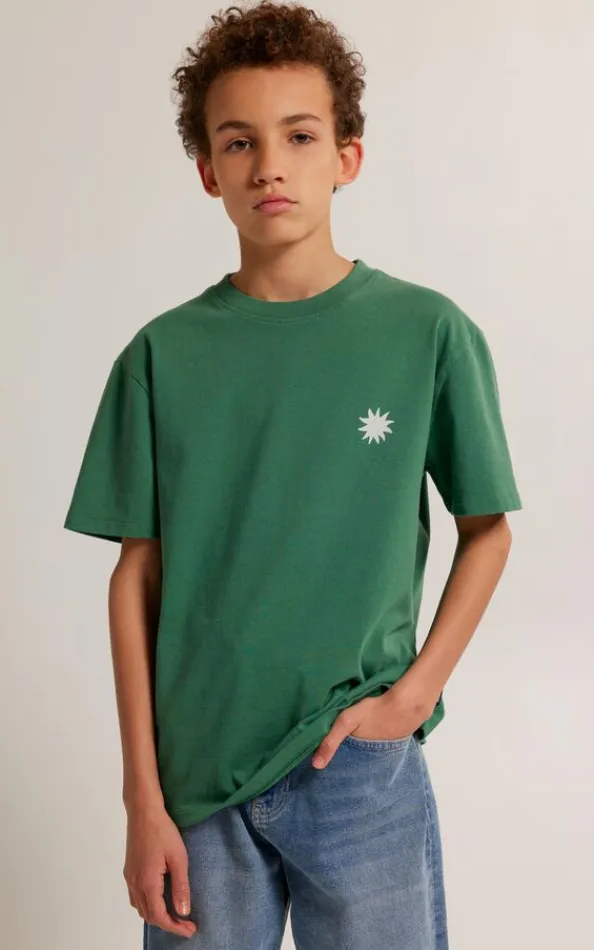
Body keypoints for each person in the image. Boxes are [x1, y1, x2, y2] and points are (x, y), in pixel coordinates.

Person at [63, 2, 523, 946]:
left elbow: (489, 530)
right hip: (196, 780)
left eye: (300, 136)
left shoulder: (427, 333)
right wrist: (141, 798)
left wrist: (413, 698)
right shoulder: (161, 357)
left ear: (348, 156)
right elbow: (135, 576)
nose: (269, 164)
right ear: (208, 171)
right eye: (239, 142)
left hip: (358, 765)